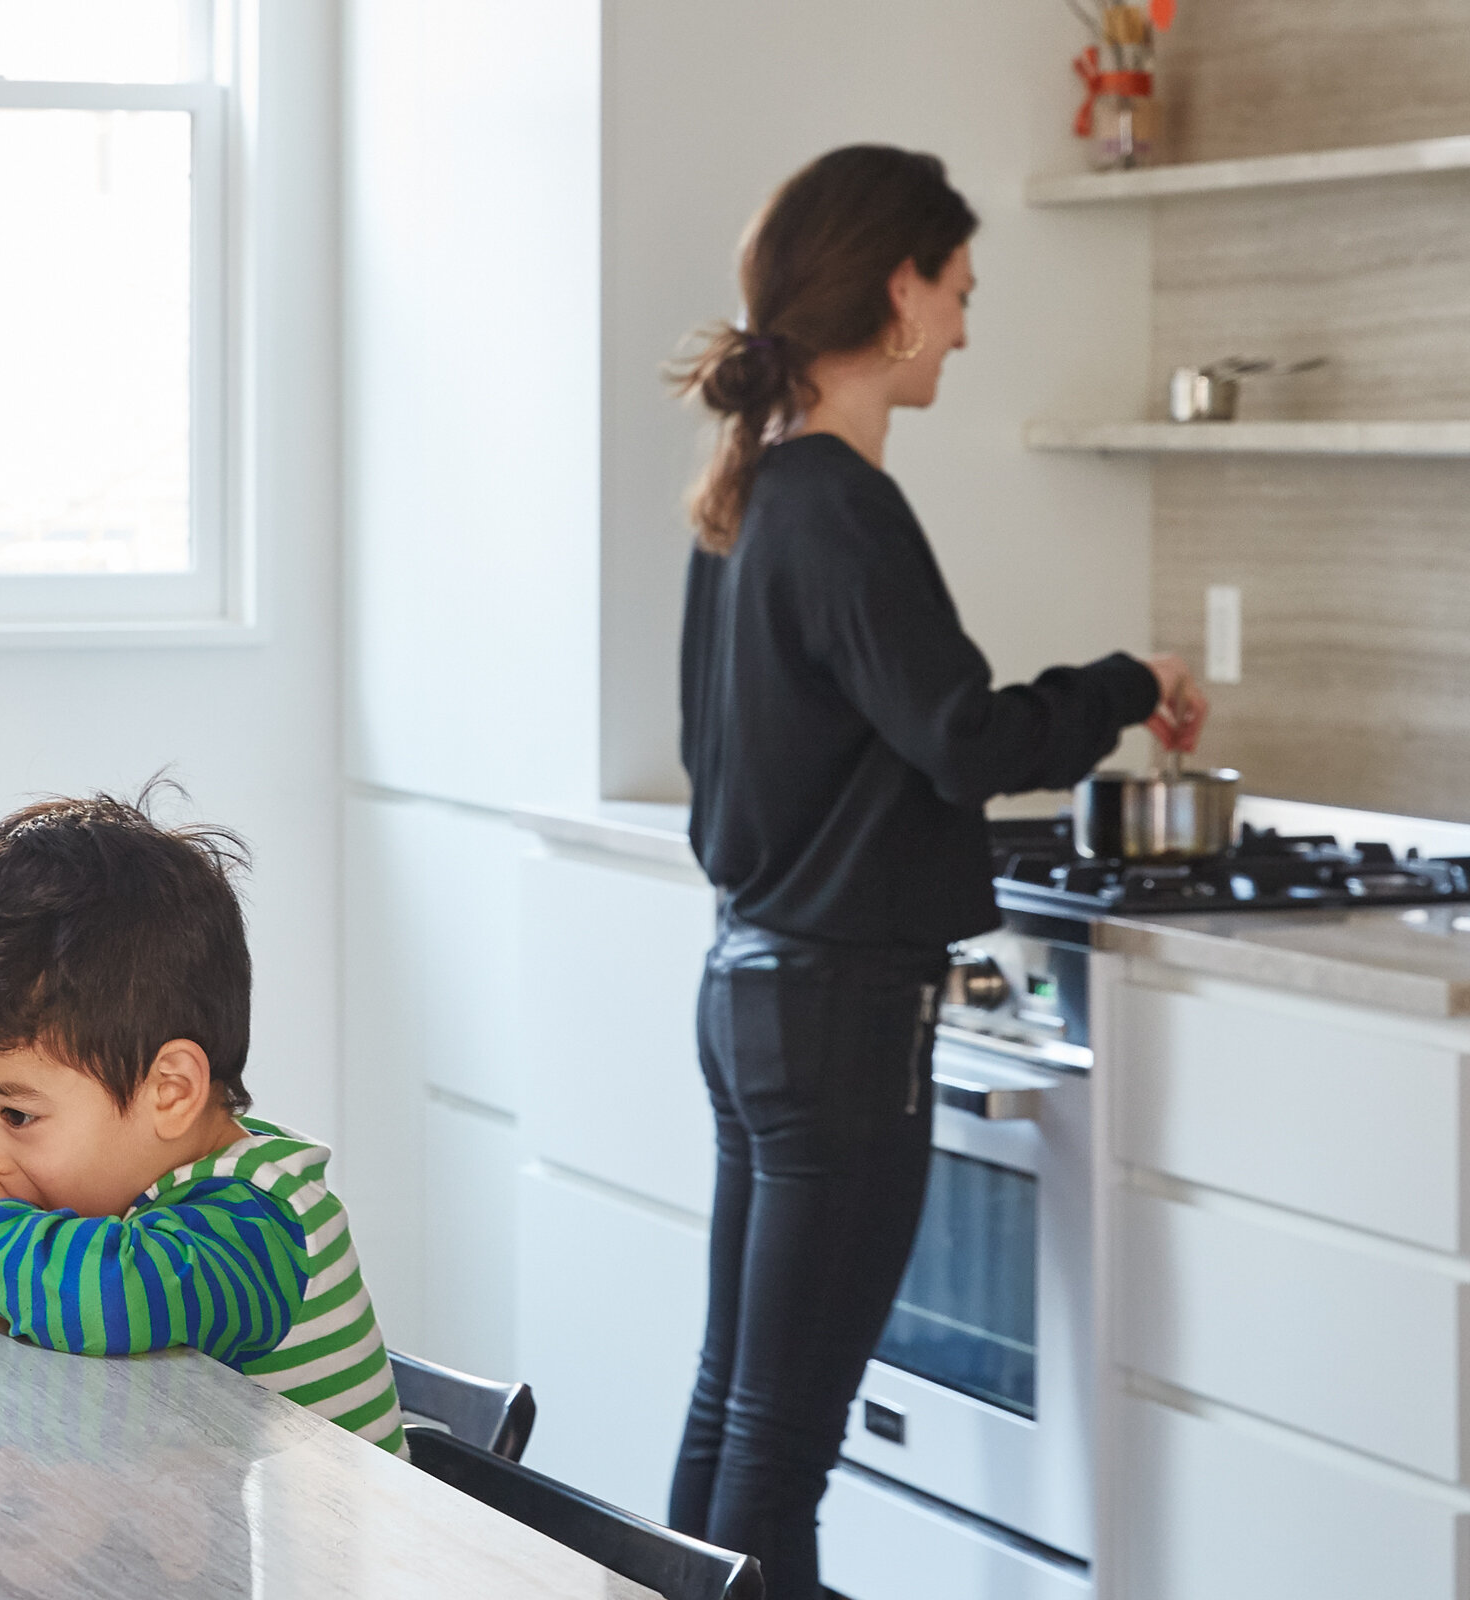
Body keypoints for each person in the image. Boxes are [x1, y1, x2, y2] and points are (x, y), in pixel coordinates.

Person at [666, 145, 1206, 1599]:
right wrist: (1121, 683)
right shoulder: (837, 501)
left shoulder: (753, 498)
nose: (965, 327)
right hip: (837, 1019)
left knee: (735, 1409)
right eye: (959, 292)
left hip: (754, 989)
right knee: (778, 1443)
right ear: (899, 291)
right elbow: (961, 738)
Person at [0, 787, 408, 1457]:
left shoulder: (258, 1222)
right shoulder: (91, 1184)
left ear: (168, 1092)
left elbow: (113, 1294)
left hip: (346, 1559)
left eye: (16, 1114)